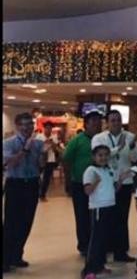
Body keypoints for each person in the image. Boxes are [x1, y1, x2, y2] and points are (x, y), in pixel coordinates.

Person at [91, 109, 137, 262]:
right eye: (112, 120)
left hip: (124, 182)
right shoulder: (99, 138)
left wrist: (131, 147)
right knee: (106, 218)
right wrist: (117, 148)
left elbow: (135, 158)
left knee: (121, 218)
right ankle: (104, 250)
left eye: (118, 120)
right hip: (106, 182)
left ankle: (121, 251)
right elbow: (99, 157)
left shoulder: (130, 136)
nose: (116, 123)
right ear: (107, 123)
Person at [2, 112, 46, 273]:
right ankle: (5, 259)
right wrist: (25, 150)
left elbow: (40, 165)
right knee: (11, 224)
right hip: (15, 184)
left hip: (32, 184)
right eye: (23, 124)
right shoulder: (8, 143)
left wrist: (43, 154)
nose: (27, 127)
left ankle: (16, 255)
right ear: (17, 126)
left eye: (30, 124)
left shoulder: (38, 144)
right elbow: (9, 164)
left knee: (26, 222)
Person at [82, 145, 130, 279]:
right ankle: (89, 270)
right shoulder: (90, 170)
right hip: (98, 208)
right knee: (96, 240)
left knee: (105, 239)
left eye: (105, 155)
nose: (103, 158)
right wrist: (96, 182)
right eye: (100, 155)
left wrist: (120, 179)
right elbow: (87, 191)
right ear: (94, 157)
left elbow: (114, 189)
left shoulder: (109, 169)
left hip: (111, 206)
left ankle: (100, 266)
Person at [64, 112, 103, 256]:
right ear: (86, 124)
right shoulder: (77, 140)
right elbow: (66, 160)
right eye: (93, 122)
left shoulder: (102, 140)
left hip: (99, 185)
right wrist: (68, 182)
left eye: (99, 122)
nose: (97, 125)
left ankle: (97, 243)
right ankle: (84, 245)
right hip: (80, 184)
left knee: (98, 216)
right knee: (82, 216)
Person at [36, 121, 64, 201]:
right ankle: (37, 192)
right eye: (47, 128)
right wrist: (44, 143)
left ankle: (43, 195)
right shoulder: (39, 137)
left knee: (47, 178)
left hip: (50, 160)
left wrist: (53, 144)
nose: (48, 130)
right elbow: (36, 148)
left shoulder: (54, 137)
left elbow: (57, 150)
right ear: (44, 128)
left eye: (50, 128)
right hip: (40, 159)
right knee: (37, 176)